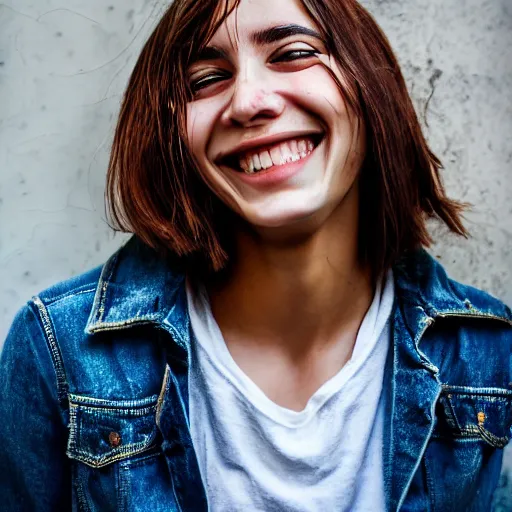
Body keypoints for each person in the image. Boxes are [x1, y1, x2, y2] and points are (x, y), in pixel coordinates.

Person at [1, 0, 511, 510]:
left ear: (368, 84)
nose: (247, 101)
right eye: (204, 81)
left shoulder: (485, 352)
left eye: (292, 53)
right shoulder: (58, 352)